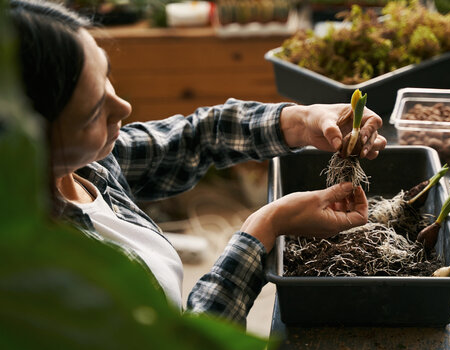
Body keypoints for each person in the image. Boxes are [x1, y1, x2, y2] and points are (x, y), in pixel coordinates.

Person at [9, 0, 386, 326]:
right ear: (28, 142)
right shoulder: (47, 278)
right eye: (94, 112)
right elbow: (185, 347)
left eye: (107, 78)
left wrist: (299, 122)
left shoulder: (89, 165)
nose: (123, 108)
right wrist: (263, 228)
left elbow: (195, 137)